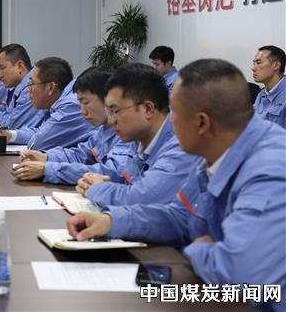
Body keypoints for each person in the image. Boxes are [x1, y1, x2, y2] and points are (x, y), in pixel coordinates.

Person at [67, 59, 286, 290]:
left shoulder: (270, 169)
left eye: (175, 112)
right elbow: (181, 216)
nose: (170, 120)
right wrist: (112, 221)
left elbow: (239, 271)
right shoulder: (213, 148)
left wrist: (196, 249)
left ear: (202, 123)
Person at [73, 63, 197, 208]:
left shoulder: (181, 147)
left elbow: (141, 198)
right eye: (109, 112)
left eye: (115, 110)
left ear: (148, 109)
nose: (112, 120)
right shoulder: (137, 140)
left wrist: (97, 189)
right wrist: (93, 181)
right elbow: (122, 177)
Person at [12, 66, 132, 184]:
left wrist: (47, 170)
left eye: (86, 102)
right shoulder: (104, 130)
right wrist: (46, 157)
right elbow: (81, 155)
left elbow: (111, 174)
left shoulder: (127, 134)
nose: (82, 111)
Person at [0, 57, 92, 151]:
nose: (28, 90)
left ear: (50, 87)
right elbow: (41, 131)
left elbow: (37, 143)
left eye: (31, 84)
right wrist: (8, 135)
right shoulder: (58, 102)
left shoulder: (71, 106)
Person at [252, 45, 286, 128]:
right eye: (254, 63)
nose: (253, 68)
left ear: (276, 65)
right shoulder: (262, 94)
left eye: (258, 63)